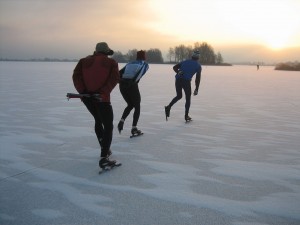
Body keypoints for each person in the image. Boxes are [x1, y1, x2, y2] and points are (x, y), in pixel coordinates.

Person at [72, 42, 120, 169]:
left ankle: (104, 147)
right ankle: (104, 157)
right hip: (102, 99)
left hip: (87, 98)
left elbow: (76, 77)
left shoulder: (83, 61)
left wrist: (83, 92)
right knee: (108, 125)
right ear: (106, 51)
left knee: (98, 120)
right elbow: (114, 79)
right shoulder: (111, 63)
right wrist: (103, 92)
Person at [117, 50, 149, 136]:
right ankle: (134, 128)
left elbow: (119, 73)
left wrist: (121, 82)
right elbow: (139, 75)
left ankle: (121, 121)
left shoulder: (129, 63)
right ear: (144, 57)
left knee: (130, 105)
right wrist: (132, 83)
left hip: (122, 85)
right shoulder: (145, 64)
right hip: (131, 85)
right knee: (137, 106)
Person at [165, 50, 202, 122]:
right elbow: (198, 79)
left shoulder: (185, 61)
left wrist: (178, 72)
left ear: (192, 56)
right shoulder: (198, 66)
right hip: (186, 82)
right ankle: (186, 116)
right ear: (198, 58)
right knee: (188, 98)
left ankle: (168, 106)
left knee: (179, 96)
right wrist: (196, 88)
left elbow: (175, 67)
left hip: (178, 80)